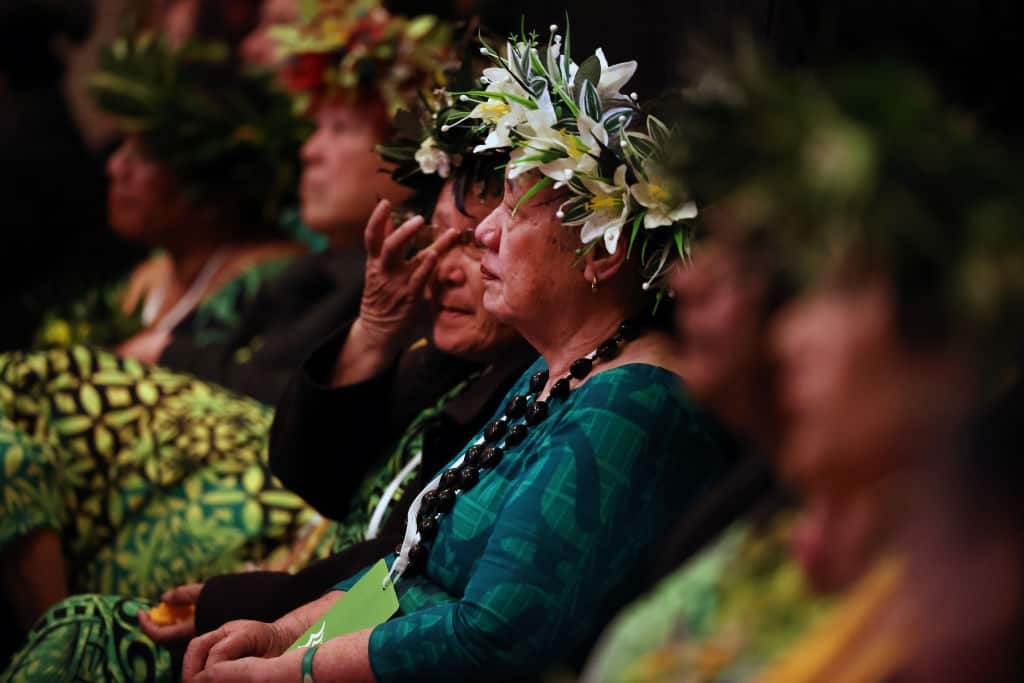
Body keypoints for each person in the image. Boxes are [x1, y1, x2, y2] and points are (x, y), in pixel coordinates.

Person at [181, 24, 729, 682]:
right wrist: (282, 632)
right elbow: (412, 561)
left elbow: (490, 637)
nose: (486, 231)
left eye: (514, 207)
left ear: (603, 251)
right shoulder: (551, 369)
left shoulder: (634, 403)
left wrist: (284, 672)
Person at [2, 87, 534, 682]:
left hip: (354, 637)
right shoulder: (442, 361)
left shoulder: (533, 388)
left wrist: (256, 610)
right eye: (434, 236)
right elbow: (312, 472)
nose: (446, 266)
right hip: (311, 601)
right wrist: (374, 328)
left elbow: (414, 562)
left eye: (474, 239)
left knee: (86, 635)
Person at [0, 3, 451, 631]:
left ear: (420, 159)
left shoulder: (429, 288)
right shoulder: (311, 275)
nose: (312, 151)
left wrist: (170, 355)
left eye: (341, 129)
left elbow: (322, 429)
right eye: (312, 129)